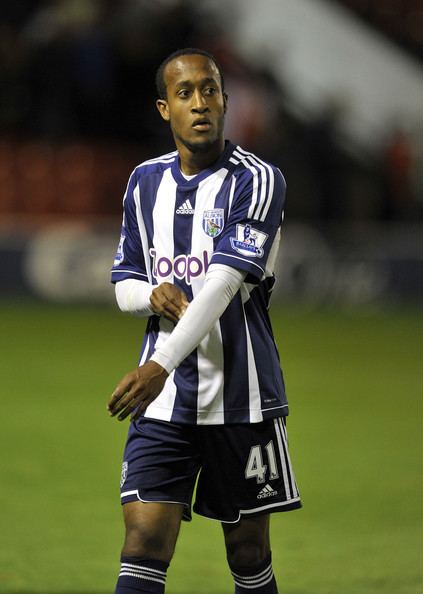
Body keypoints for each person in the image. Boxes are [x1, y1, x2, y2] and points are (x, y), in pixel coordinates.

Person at [107, 48, 301, 594]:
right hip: (164, 402)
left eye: (210, 90)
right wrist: (151, 294)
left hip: (242, 398)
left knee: (247, 551)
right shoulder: (144, 182)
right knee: (143, 541)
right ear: (164, 108)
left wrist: (160, 364)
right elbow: (122, 282)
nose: (200, 104)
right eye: (185, 93)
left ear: (225, 100)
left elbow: (220, 286)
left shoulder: (258, 181)